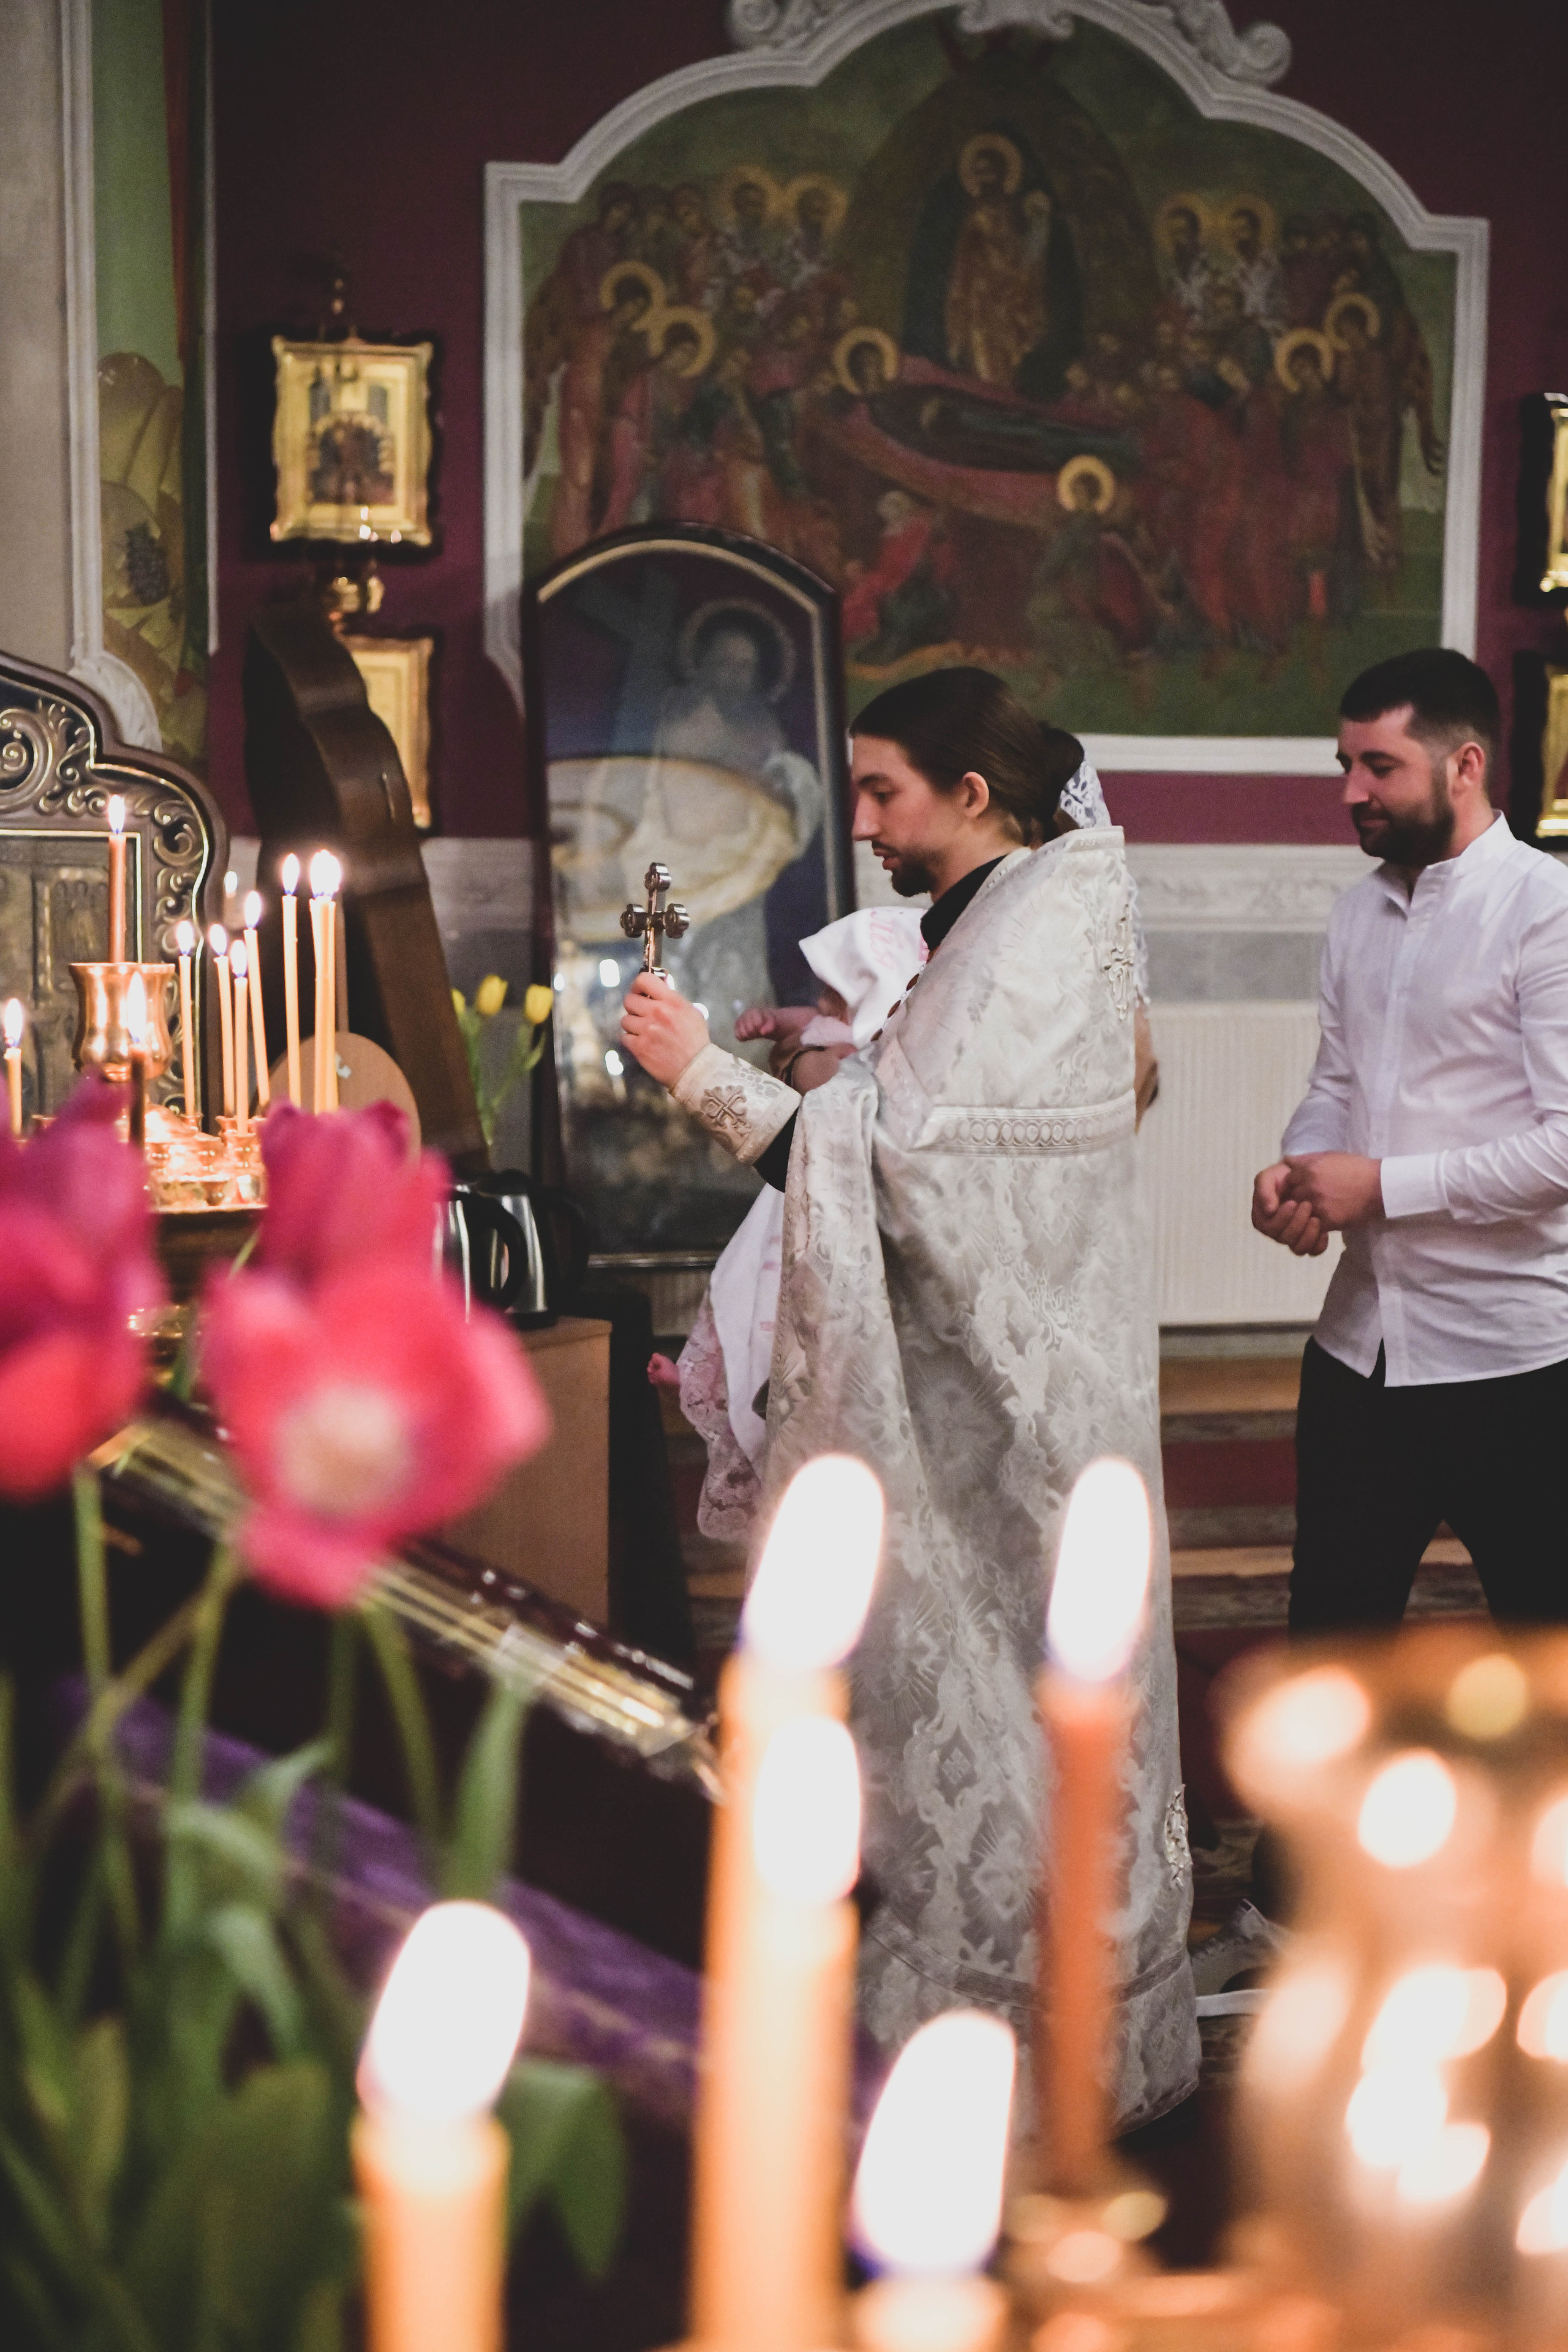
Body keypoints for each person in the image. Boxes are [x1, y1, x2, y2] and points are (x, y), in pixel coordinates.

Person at [621, 667, 1197, 2130]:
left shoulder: (1016, 943)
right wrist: (824, 1067)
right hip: (1008, 1396)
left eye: (882, 791)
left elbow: (895, 1184)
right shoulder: (1018, 920)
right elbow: (915, 1118)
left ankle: (993, 2065)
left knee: (1009, 1731)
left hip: (1002, 1431)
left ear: (972, 795)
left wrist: (701, 1078)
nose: (861, 820)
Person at [1252, 648, 1568, 1630]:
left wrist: (1379, 1187)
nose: (1352, 791)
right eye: (1346, 765)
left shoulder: (1548, 913)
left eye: (1379, 767)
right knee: (1332, 1641)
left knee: (1548, 1643)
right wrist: (1299, 1173)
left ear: (1465, 767)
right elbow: (1336, 1086)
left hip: (1515, 1359)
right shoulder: (1358, 913)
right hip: (1359, 1351)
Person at [650, 906, 927, 1540]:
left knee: (797, 1322)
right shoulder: (833, 1031)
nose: (824, 1004)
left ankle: (737, 1397)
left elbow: (823, 1072)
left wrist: (799, 1050)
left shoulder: (884, 1049)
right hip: (792, 1191)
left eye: (838, 992)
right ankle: (714, 1383)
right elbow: (801, 1032)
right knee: (749, 1294)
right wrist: (776, 1026)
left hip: (827, 1192)